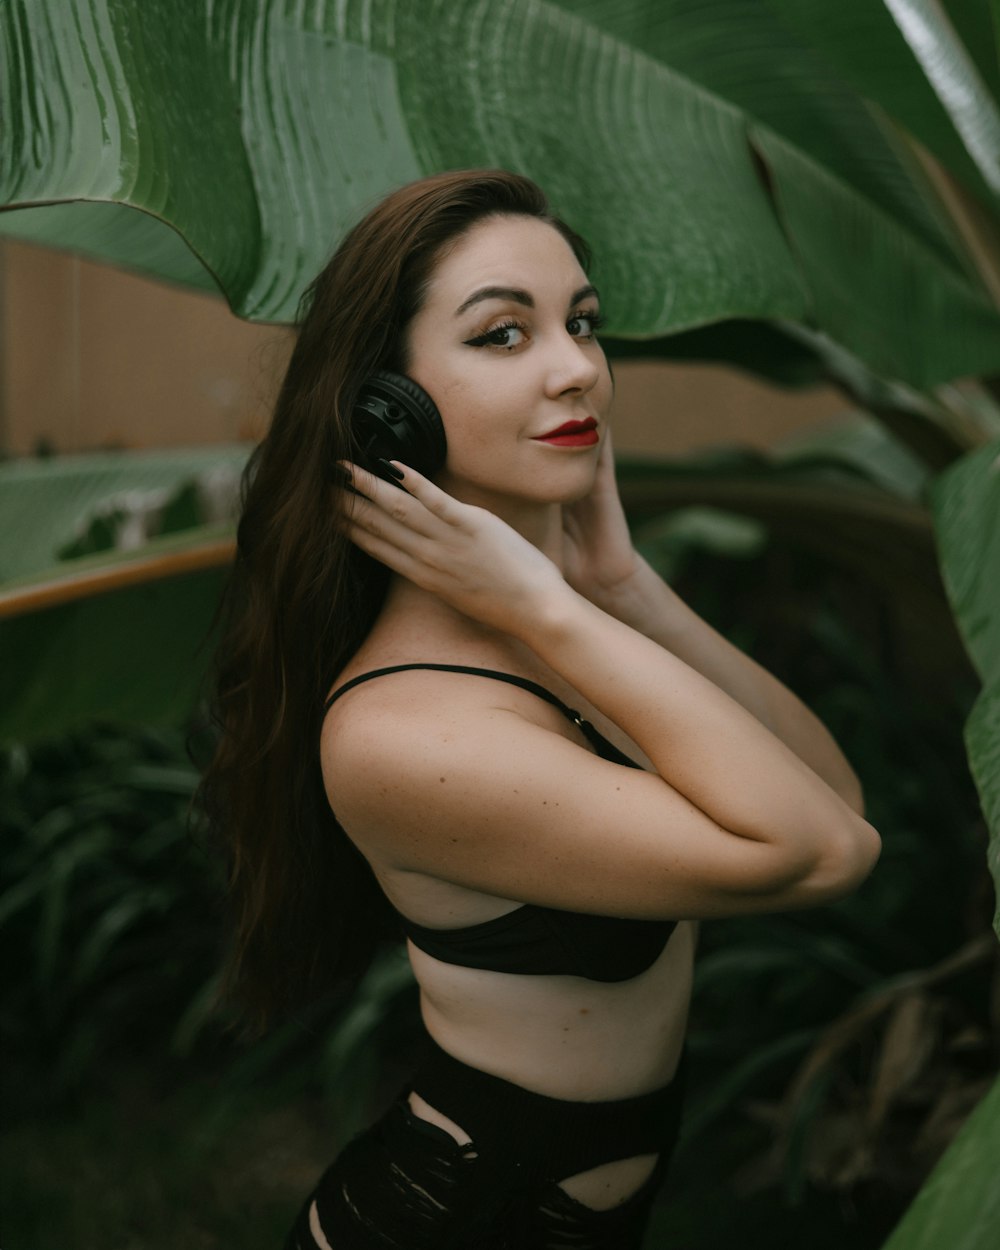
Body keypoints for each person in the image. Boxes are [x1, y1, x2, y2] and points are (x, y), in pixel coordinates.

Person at [201, 169, 880, 1249]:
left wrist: (618, 593)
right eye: (503, 335)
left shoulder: (583, 638)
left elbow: (834, 795)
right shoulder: (399, 732)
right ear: (390, 405)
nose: (578, 369)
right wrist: (552, 612)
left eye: (583, 322)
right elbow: (824, 850)